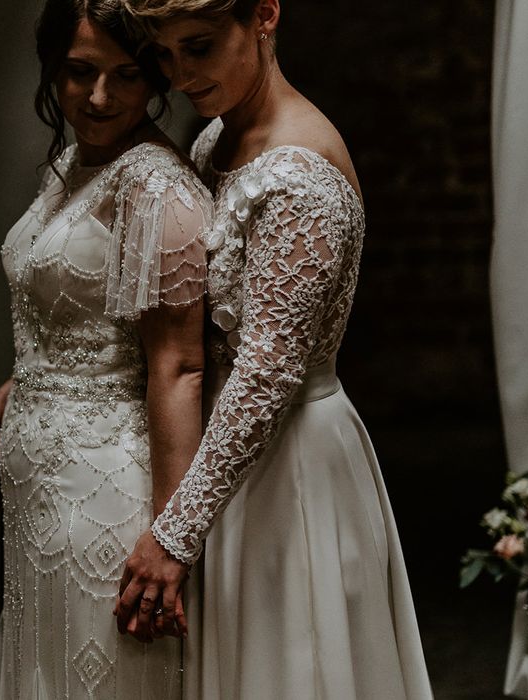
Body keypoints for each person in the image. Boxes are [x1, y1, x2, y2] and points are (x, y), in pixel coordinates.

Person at [115, 0, 435, 697]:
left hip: (290, 457)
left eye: (197, 47)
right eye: (166, 56)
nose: (181, 75)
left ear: (263, 15)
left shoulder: (301, 172)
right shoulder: (215, 141)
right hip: (228, 454)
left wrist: (176, 532)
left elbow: (267, 371)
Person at [0, 1, 212, 697]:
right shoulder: (72, 163)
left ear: (156, 78)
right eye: (78, 73)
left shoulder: (157, 187)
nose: (99, 98)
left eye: (126, 77)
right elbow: (79, 305)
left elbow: (178, 366)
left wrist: (170, 537)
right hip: (38, 482)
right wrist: (22, 382)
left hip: (106, 484)